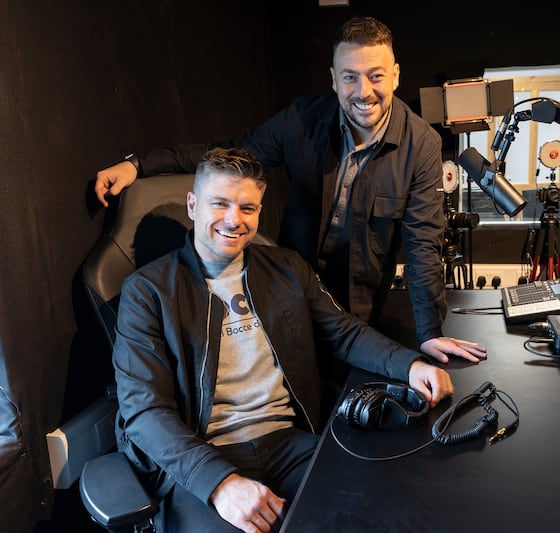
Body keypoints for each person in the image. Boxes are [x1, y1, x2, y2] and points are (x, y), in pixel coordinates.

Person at [95, 16, 486, 367]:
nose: (363, 91)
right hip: (289, 290)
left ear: (396, 75)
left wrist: (430, 332)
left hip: (358, 305)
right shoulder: (301, 119)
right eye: (349, 76)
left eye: (376, 75)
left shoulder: (423, 145)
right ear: (333, 78)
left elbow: (422, 246)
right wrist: (139, 165)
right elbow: (230, 153)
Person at [113, 147, 454, 532]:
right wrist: (220, 484)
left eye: (247, 208)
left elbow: (343, 332)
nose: (233, 219)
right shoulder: (146, 291)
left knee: (376, 512)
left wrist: (408, 364)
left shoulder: (287, 268)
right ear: (192, 205)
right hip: (201, 456)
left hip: (289, 443)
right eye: (220, 203)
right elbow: (144, 411)